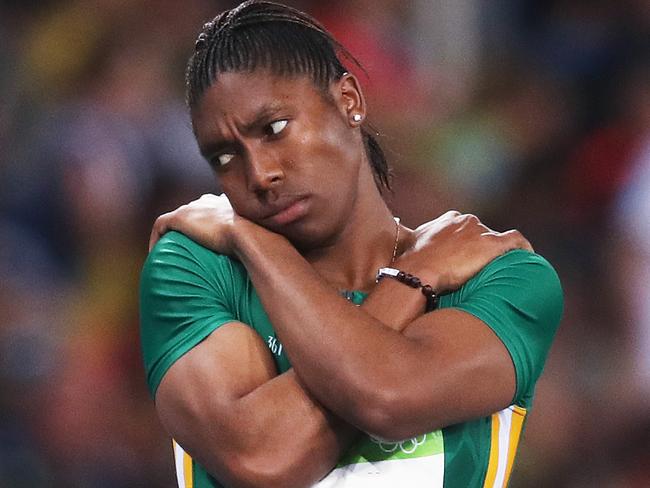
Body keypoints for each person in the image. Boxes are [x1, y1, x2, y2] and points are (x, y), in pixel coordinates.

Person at [139, 1, 563, 487]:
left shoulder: (499, 276)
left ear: (349, 100)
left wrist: (248, 236)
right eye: (225, 156)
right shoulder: (195, 270)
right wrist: (412, 280)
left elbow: (388, 396)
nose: (259, 175)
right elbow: (262, 458)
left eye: (274, 129)